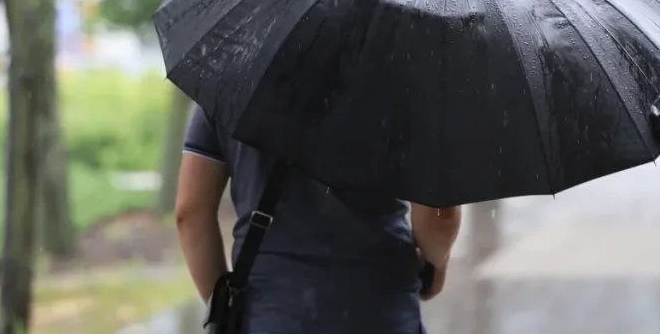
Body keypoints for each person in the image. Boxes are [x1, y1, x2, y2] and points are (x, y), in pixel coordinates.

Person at [176, 104, 462, 334]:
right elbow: (441, 214)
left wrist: (225, 306)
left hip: (270, 313)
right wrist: (436, 263)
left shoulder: (229, 80)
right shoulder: (402, 79)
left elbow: (190, 213)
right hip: (378, 311)